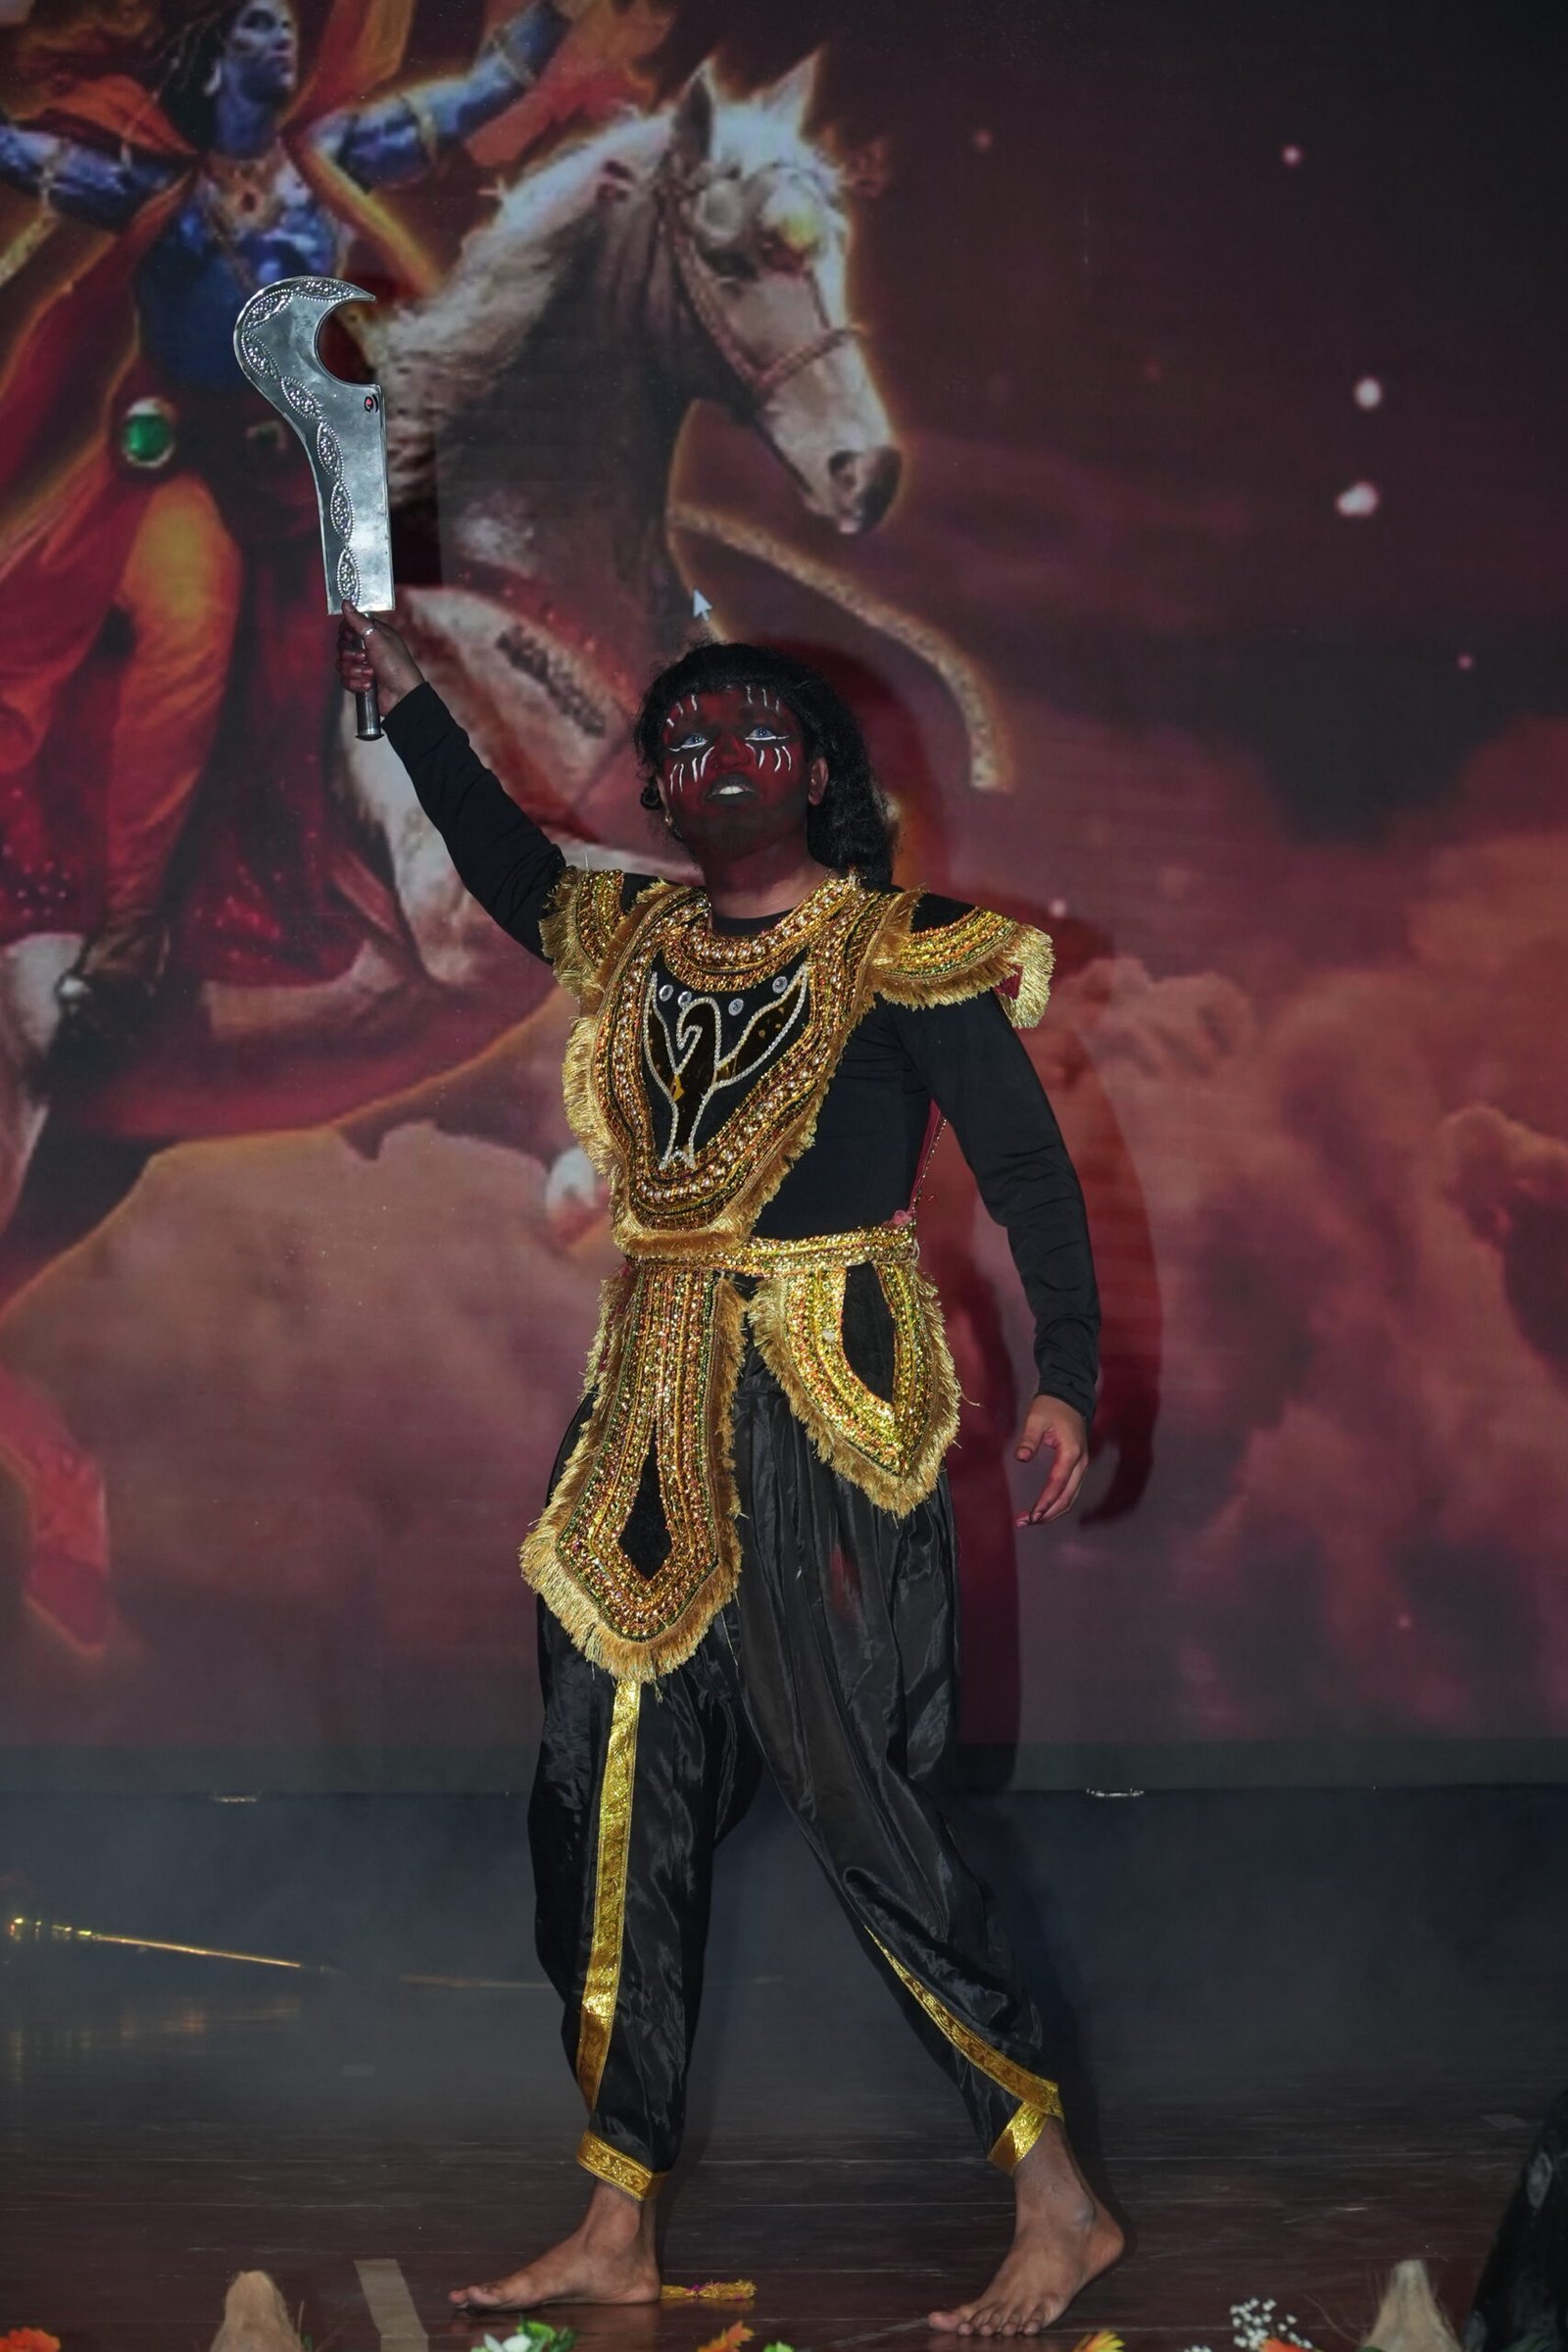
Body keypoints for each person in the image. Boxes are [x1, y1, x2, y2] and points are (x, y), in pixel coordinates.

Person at [338, 603, 1125, 2339]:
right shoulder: (629, 938)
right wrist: (409, 707)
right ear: (663, 798)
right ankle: (616, 2219)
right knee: (601, 1798)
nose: (716, 760)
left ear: (822, 776)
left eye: (756, 733)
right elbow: (501, 860)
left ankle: (1054, 2197)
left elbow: (1026, 1172)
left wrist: (1067, 1377)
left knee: (857, 1797)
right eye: (683, 744)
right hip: (639, 1412)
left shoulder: (907, 950)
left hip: (823, 1407)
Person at [0, 0, 590, 1050]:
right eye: (257, 28)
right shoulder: (145, 183)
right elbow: (15, 152)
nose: (282, 41)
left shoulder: (339, 155)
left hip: (326, 467)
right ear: (212, 60)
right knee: (190, 641)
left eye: (287, 26)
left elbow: (485, 93)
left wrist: (555, 16)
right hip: (192, 465)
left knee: (405, 641)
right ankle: (128, 945)